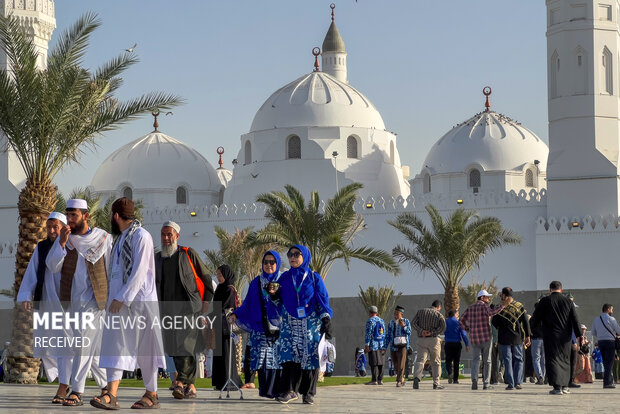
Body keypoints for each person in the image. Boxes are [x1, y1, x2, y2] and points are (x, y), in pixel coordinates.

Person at [91, 197, 165, 409]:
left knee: (145, 349)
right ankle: (111, 395)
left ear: (115, 216)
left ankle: (152, 394)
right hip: (119, 304)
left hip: (139, 302)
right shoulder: (120, 239)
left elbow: (140, 272)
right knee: (116, 345)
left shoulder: (141, 236)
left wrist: (123, 297)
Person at [46, 199, 109, 406]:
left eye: (74, 215)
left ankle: (77, 391)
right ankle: (107, 387)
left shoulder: (102, 238)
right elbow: (53, 266)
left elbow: (111, 268)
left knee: (82, 343)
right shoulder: (67, 239)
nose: (70, 220)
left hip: (95, 301)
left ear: (86, 216)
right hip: (72, 302)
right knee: (92, 348)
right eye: (68, 215)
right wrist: (62, 243)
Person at [17, 212, 74, 404]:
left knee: (66, 343)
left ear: (64, 227)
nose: (51, 230)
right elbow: (31, 272)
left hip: (67, 304)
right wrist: (26, 295)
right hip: (46, 302)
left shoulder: (73, 245)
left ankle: (66, 384)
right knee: (45, 344)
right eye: (49, 227)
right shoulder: (41, 248)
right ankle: (62, 378)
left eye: (55, 227)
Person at [155, 221, 214, 400]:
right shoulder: (157, 258)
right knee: (174, 347)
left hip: (189, 308)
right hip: (166, 310)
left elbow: (207, 278)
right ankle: (191, 386)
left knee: (186, 345)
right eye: (163, 235)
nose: (166, 238)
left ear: (177, 236)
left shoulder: (188, 254)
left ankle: (180, 382)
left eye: (169, 235)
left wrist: (206, 302)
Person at [275, 245, 333, 405]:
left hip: (310, 324)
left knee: (311, 358)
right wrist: (271, 295)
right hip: (289, 324)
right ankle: (289, 391)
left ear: (305, 256)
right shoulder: (285, 278)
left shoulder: (314, 277)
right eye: (289, 254)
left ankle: (308, 393)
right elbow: (275, 298)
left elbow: (322, 300)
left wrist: (326, 320)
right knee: (289, 358)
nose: (292, 257)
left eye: (296, 254)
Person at [232, 250, 284, 399]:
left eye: (272, 262)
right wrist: (236, 314)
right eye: (265, 262)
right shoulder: (256, 282)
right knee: (262, 357)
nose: (268, 265)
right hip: (260, 326)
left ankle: (278, 390)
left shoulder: (283, 280)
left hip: (279, 327)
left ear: (277, 263)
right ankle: (266, 390)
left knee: (277, 359)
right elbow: (248, 303)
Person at [530, 281, 581, 395]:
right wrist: (579, 335)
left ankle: (557, 387)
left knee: (553, 359)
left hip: (550, 336)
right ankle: (565, 386)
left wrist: (530, 331)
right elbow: (575, 320)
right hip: (565, 338)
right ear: (561, 290)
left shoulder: (545, 301)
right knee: (565, 359)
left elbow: (535, 318)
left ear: (550, 290)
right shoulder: (568, 302)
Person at [459, 290, 506, 390]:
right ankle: (486, 384)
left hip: (474, 338)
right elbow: (492, 312)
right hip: (486, 338)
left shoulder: (470, 308)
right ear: (482, 298)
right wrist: (502, 306)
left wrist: (468, 329)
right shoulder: (484, 306)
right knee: (487, 361)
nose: (488, 299)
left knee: (476, 360)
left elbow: (460, 321)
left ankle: (474, 380)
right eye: (487, 297)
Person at [491, 287, 531, 390]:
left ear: (504, 295)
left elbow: (494, 322)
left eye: (501, 295)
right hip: (517, 338)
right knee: (519, 359)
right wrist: (527, 336)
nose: (501, 297)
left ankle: (511, 384)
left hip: (504, 338)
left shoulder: (499, 307)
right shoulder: (519, 306)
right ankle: (518, 382)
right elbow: (526, 322)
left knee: (507, 360)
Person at [211, 264, 242, 392]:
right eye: (217, 275)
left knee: (226, 352)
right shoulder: (219, 288)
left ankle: (229, 381)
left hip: (226, 326)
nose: (218, 277)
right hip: (217, 325)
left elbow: (228, 307)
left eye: (220, 275)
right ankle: (219, 382)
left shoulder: (230, 289)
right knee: (218, 353)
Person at [411, 300, 446, 390]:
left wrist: (421, 331)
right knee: (436, 362)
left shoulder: (421, 312)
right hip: (434, 340)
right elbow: (443, 327)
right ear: (439, 307)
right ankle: (436, 383)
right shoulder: (439, 315)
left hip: (421, 339)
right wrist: (432, 332)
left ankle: (416, 378)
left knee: (420, 360)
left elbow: (413, 323)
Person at [591, 303, 620, 389]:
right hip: (610, 342)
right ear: (608, 309)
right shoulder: (611, 319)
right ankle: (607, 383)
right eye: (611, 309)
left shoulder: (596, 319)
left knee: (605, 362)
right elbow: (618, 331)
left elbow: (593, 332)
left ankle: (607, 381)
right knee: (609, 363)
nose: (612, 311)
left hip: (601, 342)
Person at [384, 305, 411, 387]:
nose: (395, 315)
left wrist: (404, 327)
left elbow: (409, 332)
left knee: (401, 364)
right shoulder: (391, 323)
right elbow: (388, 335)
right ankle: (401, 378)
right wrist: (384, 347)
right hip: (393, 346)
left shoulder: (406, 321)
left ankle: (399, 381)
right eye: (394, 314)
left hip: (403, 346)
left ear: (401, 314)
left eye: (397, 314)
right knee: (395, 364)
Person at [444, 309, 469, 384]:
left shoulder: (445, 322)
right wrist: (467, 344)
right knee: (456, 361)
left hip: (448, 343)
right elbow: (463, 334)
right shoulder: (459, 322)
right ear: (455, 314)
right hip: (457, 344)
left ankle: (449, 373)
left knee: (448, 360)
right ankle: (455, 379)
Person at [364, 305, 386, 386]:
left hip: (373, 344)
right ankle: (380, 379)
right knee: (381, 363)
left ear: (370, 312)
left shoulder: (370, 321)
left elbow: (368, 333)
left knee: (374, 363)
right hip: (381, 344)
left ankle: (374, 380)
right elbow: (384, 333)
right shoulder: (382, 321)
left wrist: (367, 344)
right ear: (376, 312)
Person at [530, 300, 546, 385]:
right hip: (545, 339)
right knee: (543, 359)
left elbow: (530, 329)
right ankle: (543, 376)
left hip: (536, 339)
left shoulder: (533, 317)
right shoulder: (545, 317)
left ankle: (540, 377)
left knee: (536, 359)